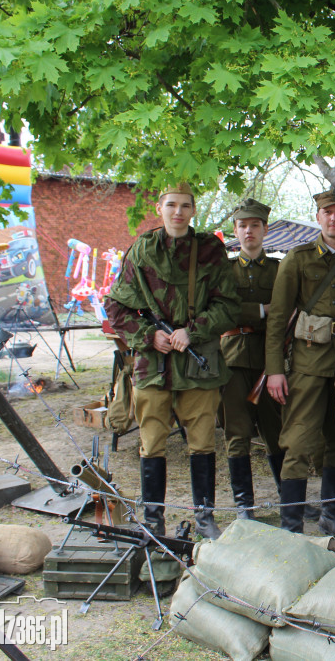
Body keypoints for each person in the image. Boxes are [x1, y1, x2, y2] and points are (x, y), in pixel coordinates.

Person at [105, 184, 238, 538]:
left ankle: (205, 516)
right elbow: (116, 308)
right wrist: (150, 336)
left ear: (194, 210)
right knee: (151, 443)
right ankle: (153, 520)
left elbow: (229, 305)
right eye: (171, 205)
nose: (178, 212)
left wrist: (192, 331)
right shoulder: (142, 251)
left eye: (185, 206)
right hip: (153, 365)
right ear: (160, 208)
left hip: (198, 363)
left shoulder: (210, 250)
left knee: (202, 441)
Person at [265, 188, 335, 534]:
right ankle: (291, 525)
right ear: (318, 217)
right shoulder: (297, 259)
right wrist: (274, 371)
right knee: (297, 442)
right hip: (307, 365)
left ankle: (332, 517)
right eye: (328, 212)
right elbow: (278, 318)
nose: (334, 218)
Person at [219, 198, 283, 520]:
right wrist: (263, 311)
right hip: (232, 361)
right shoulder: (225, 271)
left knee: (276, 431)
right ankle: (245, 505)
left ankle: (290, 500)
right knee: (237, 433)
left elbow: (286, 311)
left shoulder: (279, 270)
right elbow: (223, 311)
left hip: (271, 362)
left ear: (264, 230)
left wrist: (271, 314)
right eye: (243, 226)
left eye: (254, 225)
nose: (248, 231)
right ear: (235, 231)